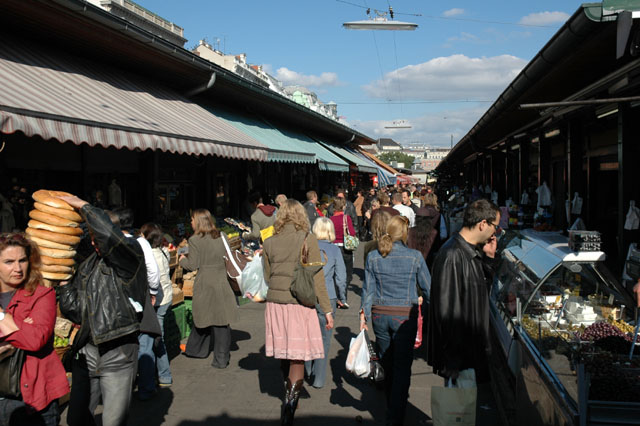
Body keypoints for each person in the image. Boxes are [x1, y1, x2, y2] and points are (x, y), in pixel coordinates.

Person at [58, 196, 148, 426]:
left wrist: (84, 207)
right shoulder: (88, 264)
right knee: (76, 418)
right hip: (86, 352)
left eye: (96, 234)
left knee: (113, 421)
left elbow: (109, 237)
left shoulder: (131, 256)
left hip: (117, 352)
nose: (94, 241)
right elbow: (76, 311)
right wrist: (64, 283)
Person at [426, 199, 500, 421]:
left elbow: (478, 290)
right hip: (460, 358)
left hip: (467, 355)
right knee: (458, 416)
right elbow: (446, 311)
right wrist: (453, 362)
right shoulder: (452, 255)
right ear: (483, 224)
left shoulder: (468, 252)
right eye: (496, 226)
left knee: (462, 415)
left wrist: (489, 259)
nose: (496, 232)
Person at [262, 199, 333, 426]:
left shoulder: (269, 242)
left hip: (275, 303)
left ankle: (289, 391)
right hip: (299, 304)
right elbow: (317, 277)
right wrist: (327, 310)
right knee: (297, 357)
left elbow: (266, 276)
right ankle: (291, 403)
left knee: (285, 352)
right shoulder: (307, 239)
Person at [359, 216, 431, 426]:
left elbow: (368, 290)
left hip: (380, 315)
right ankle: (395, 412)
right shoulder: (415, 257)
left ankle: (390, 399)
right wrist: (425, 310)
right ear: (405, 234)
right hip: (404, 316)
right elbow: (429, 289)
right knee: (402, 365)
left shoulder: (373, 256)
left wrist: (364, 314)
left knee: (386, 359)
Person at [0, 232, 69, 425]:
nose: (18, 268)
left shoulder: (41, 294)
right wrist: (17, 329)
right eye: (8, 262)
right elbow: (25, 336)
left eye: (22, 260)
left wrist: (2, 316)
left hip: (33, 397)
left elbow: (35, 339)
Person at [180, 209, 237, 368]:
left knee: (203, 317)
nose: (190, 222)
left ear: (197, 221)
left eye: (192, 220)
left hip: (205, 282)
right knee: (221, 321)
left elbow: (193, 265)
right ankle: (221, 359)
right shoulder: (222, 236)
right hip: (221, 280)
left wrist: (182, 259)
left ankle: (197, 350)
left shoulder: (194, 240)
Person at [304, 217, 345, 389]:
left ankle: (307, 370)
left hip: (307, 296)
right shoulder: (334, 251)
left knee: (307, 336)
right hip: (328, 297)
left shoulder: (305, 247)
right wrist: (342, 297)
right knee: (324, 339)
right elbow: (341, 278)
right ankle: (319, 378)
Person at [140, 223, 173, 388]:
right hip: (166, 297)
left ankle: (164, 375)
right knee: (157, 337)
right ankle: (160, 374)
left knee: (157, 339)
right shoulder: (163, 251)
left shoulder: (149, 256)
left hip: (157, 300)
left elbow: (152, 277)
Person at [329, 197, 356, 309]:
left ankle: (334, 297)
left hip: (332, 248)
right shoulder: (346, 218)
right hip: (345, 248)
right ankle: (342, 297)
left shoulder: (330, 219)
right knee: (347, 273)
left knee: (334, 273)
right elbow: (352, 232)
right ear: (343, 206)